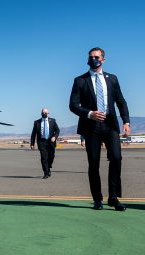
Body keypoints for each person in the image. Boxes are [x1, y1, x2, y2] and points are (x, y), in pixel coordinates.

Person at [69, 47, 130, 211]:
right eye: (90, 57)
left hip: (110, 125)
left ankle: (114, 197)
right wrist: (89, 114)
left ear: (103, 59)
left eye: (96, 57)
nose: (93, 59)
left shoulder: (112, 79)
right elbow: (73, 105)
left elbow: (121, 101)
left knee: (116, 158)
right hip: (91, 127)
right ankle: (97, 199)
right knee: (93, 164)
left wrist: (126, 121)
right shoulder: (80, 80)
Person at [30, 108, 60, 179]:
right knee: (44, 158)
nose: (46, 114)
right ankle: (46, 173)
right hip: (42, 142)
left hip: (51, 142)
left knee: (51, 156)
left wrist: (54, 137)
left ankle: (48, 167)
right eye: (45, 113)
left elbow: (57, 130)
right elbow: (33, 134)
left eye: (47, 113)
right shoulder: (37, 122)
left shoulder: (52, 121)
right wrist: (32, 144)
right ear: (41, 113)